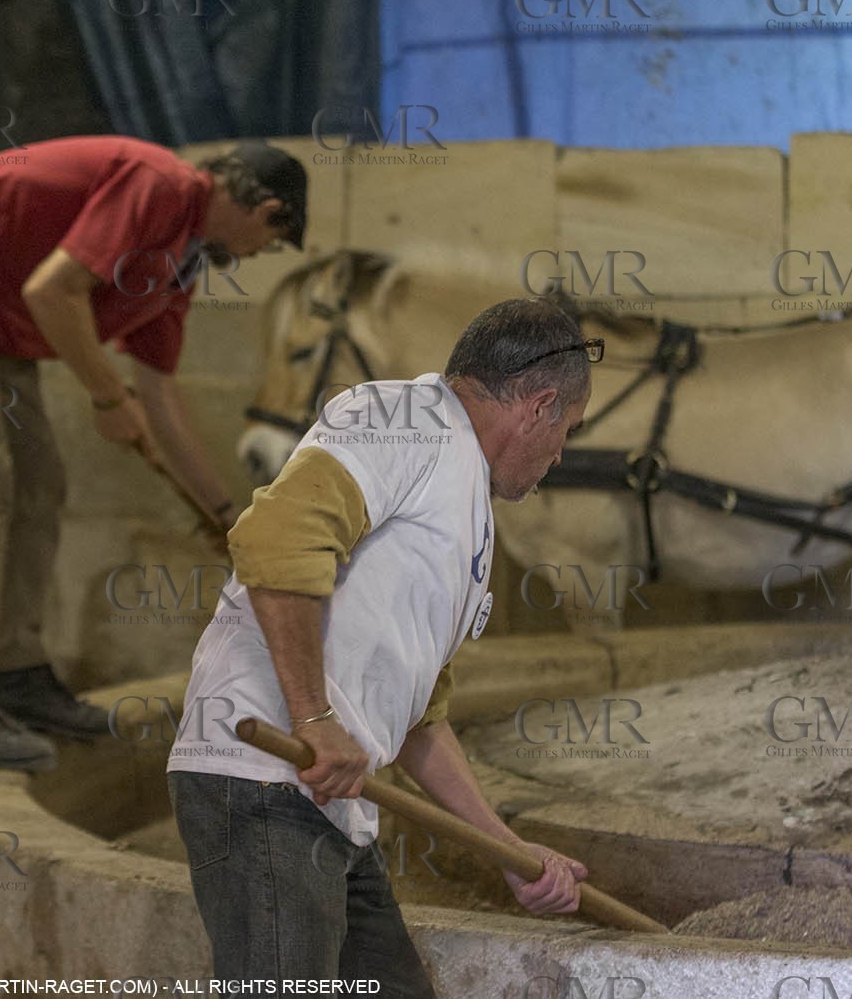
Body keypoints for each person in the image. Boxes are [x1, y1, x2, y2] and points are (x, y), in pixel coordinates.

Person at [168, 298, 604, 994]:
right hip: (262, 778)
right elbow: (275, 538)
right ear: (539, 406)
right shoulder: (403, 418)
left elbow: (418, 721)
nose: (558, 454)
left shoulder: (467, 508)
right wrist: (313, 716)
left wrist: (507, 849)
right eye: (567, 432)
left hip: (330, 805)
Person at [0, 136, 309, 773]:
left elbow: (160, 398)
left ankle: (13, 675)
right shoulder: (161, 185)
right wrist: (107, 396)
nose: (258, 253)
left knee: (39, 485)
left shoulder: (176, 267)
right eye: (269, 241)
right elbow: (54, 292)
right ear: (265, 210)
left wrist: (222, 515)